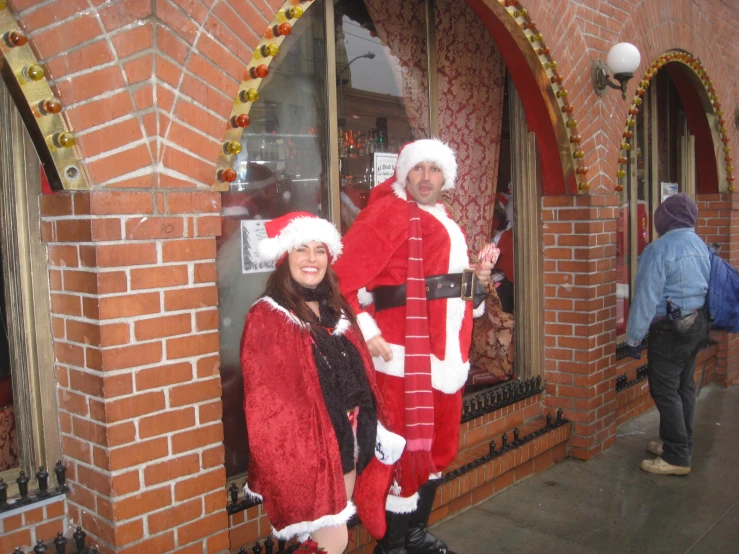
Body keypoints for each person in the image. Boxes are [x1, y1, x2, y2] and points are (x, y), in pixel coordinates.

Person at [333, 139, 494, 554]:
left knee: (438, 451)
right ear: (404, 173)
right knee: (402, 455)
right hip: (403, 361)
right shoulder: (388, 213)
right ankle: (392, 546)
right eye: (417, 168)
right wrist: (368, 330)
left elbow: (452, 294)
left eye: (434, 169)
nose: (426, 177)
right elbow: (340, 282)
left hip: (448, 360)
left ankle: (416, 535)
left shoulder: (445, 219)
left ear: (446, 179)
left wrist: (477, 287)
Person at [240, 212, 405, 554]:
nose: (312, 259)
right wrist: (307, 452)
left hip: (349, 439)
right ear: (285, 257)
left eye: (319, 250)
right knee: (330, 537)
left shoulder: (336, 308)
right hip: (311, 450)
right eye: (302, 249)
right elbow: (268, 403)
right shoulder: (269, 315)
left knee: (328, 530)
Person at [624, 193, 710, 476]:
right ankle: (682, 444)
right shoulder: (700, 244)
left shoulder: (659, 249)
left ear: (665, 218)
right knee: (684, 386)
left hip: (670, 330)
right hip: (696, 324)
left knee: (664, 390)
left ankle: (676, 456)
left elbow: (646, 298)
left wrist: (633, 338)